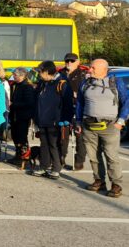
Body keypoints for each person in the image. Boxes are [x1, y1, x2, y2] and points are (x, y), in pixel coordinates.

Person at [76, 59, 128, 198]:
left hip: (110, 126)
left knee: (111, 156)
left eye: (93, 68)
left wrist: (121, 121)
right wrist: (79, 122)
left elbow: (126, 101)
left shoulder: (115, 82)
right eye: (90, 67)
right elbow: (80, 103)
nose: (89, 70)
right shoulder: (85, 83)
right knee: (93, 156)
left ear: (104, 70)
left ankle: (116, 185)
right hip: (89, 125)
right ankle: (99, 181)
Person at [32, 61, 73, 179]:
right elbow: (37, 101)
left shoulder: (62, 83)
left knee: (54, 144)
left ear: (46, 72)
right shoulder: (42, 83)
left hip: (56, 120)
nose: (39, 74)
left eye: (40, 72)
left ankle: (56, 168)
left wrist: (66, 119)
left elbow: (68, 104)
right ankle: (44, 166)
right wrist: (35, 119)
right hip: (42, 119)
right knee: (44, 144)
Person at [58, 52, 89, 170]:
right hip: (63, 108)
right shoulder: (60, 74)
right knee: (62, 136)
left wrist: (77, 95)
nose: (69, 63)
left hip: (78, 108)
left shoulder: (83, 74)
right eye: (67, 61)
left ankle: (79, 161)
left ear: (78, 62)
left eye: (72, 61)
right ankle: (61, 158)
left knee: (79, 137)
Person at [8, 67, 36, 168]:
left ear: (22, 76)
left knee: (22, 138)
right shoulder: (15, 85)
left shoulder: (27, 86)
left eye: (15, 75)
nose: (13, 77)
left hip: (23, 116)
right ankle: (18, 155)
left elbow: (29, 103)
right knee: (15, 136)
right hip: (14, 115)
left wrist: (13, 104)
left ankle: (24, 157)